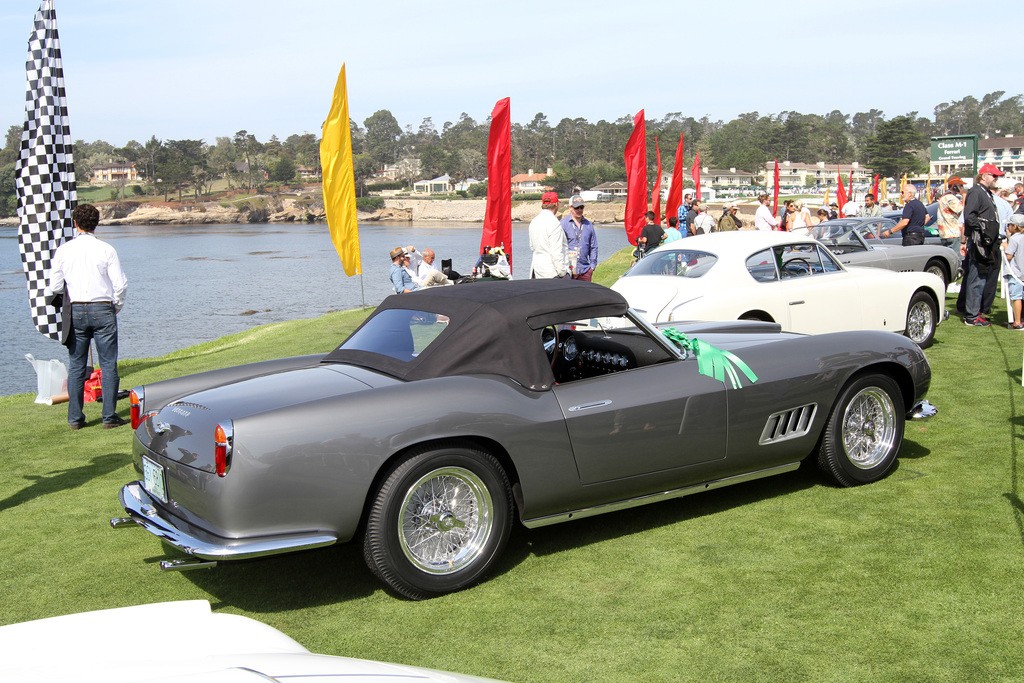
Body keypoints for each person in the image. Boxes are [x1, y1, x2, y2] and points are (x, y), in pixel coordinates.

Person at [44, 203, 128, 430]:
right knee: (108, 364)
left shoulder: (64, 250)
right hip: (103, 308)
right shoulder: (106, 249)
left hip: (77, 310)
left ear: (75, 223)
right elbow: (120, 285)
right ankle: (109, 417)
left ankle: (75, 419)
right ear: (96, 224)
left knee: (76, 365)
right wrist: (116, 305)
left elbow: (54, 285)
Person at [961, 165, 1004, 326]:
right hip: (979, 240)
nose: (996, 179)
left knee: (981, 276)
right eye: (994, 175)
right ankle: (971, 316)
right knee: (977, 277)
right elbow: (969, 217)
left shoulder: (984, 193)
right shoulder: (976, 192)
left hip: (985, 240)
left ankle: (974, 312)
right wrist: (983, 230)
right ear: (984, 175)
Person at [529, 191, 569, 278]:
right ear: (556, 204)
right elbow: (556, 250)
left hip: (537, 270)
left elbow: (532, 246)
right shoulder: (554, 223)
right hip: (552, 272)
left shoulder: (534, 221)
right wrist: (562, 272)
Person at [560, 194, 599, 281]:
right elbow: (559, 247)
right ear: (570, 207)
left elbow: (593, 246)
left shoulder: (589, 225)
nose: (579, 210)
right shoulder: (563, 224)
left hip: (585, 271)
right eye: (576, 208)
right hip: (569, 271)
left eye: (581, 207)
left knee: (586, 295)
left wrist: (592, 266)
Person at [1004, 214, 1024, 329]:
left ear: (1015, 226)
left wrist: (1005, 246)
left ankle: (1017, 322)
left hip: (1016, 272)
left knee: (1016, 297)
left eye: (1009, 225)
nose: (1008, 227)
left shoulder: (1014, 239)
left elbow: (1009, 256)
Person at [936, 177, 965, 249]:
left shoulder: (945, 196)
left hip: (946, 233)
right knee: (957, 257)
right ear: (954, 186)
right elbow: (963, 210)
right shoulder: (950, 197)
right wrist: (964, 195)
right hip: (953, 233)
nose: (962, 188)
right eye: (960, 186)